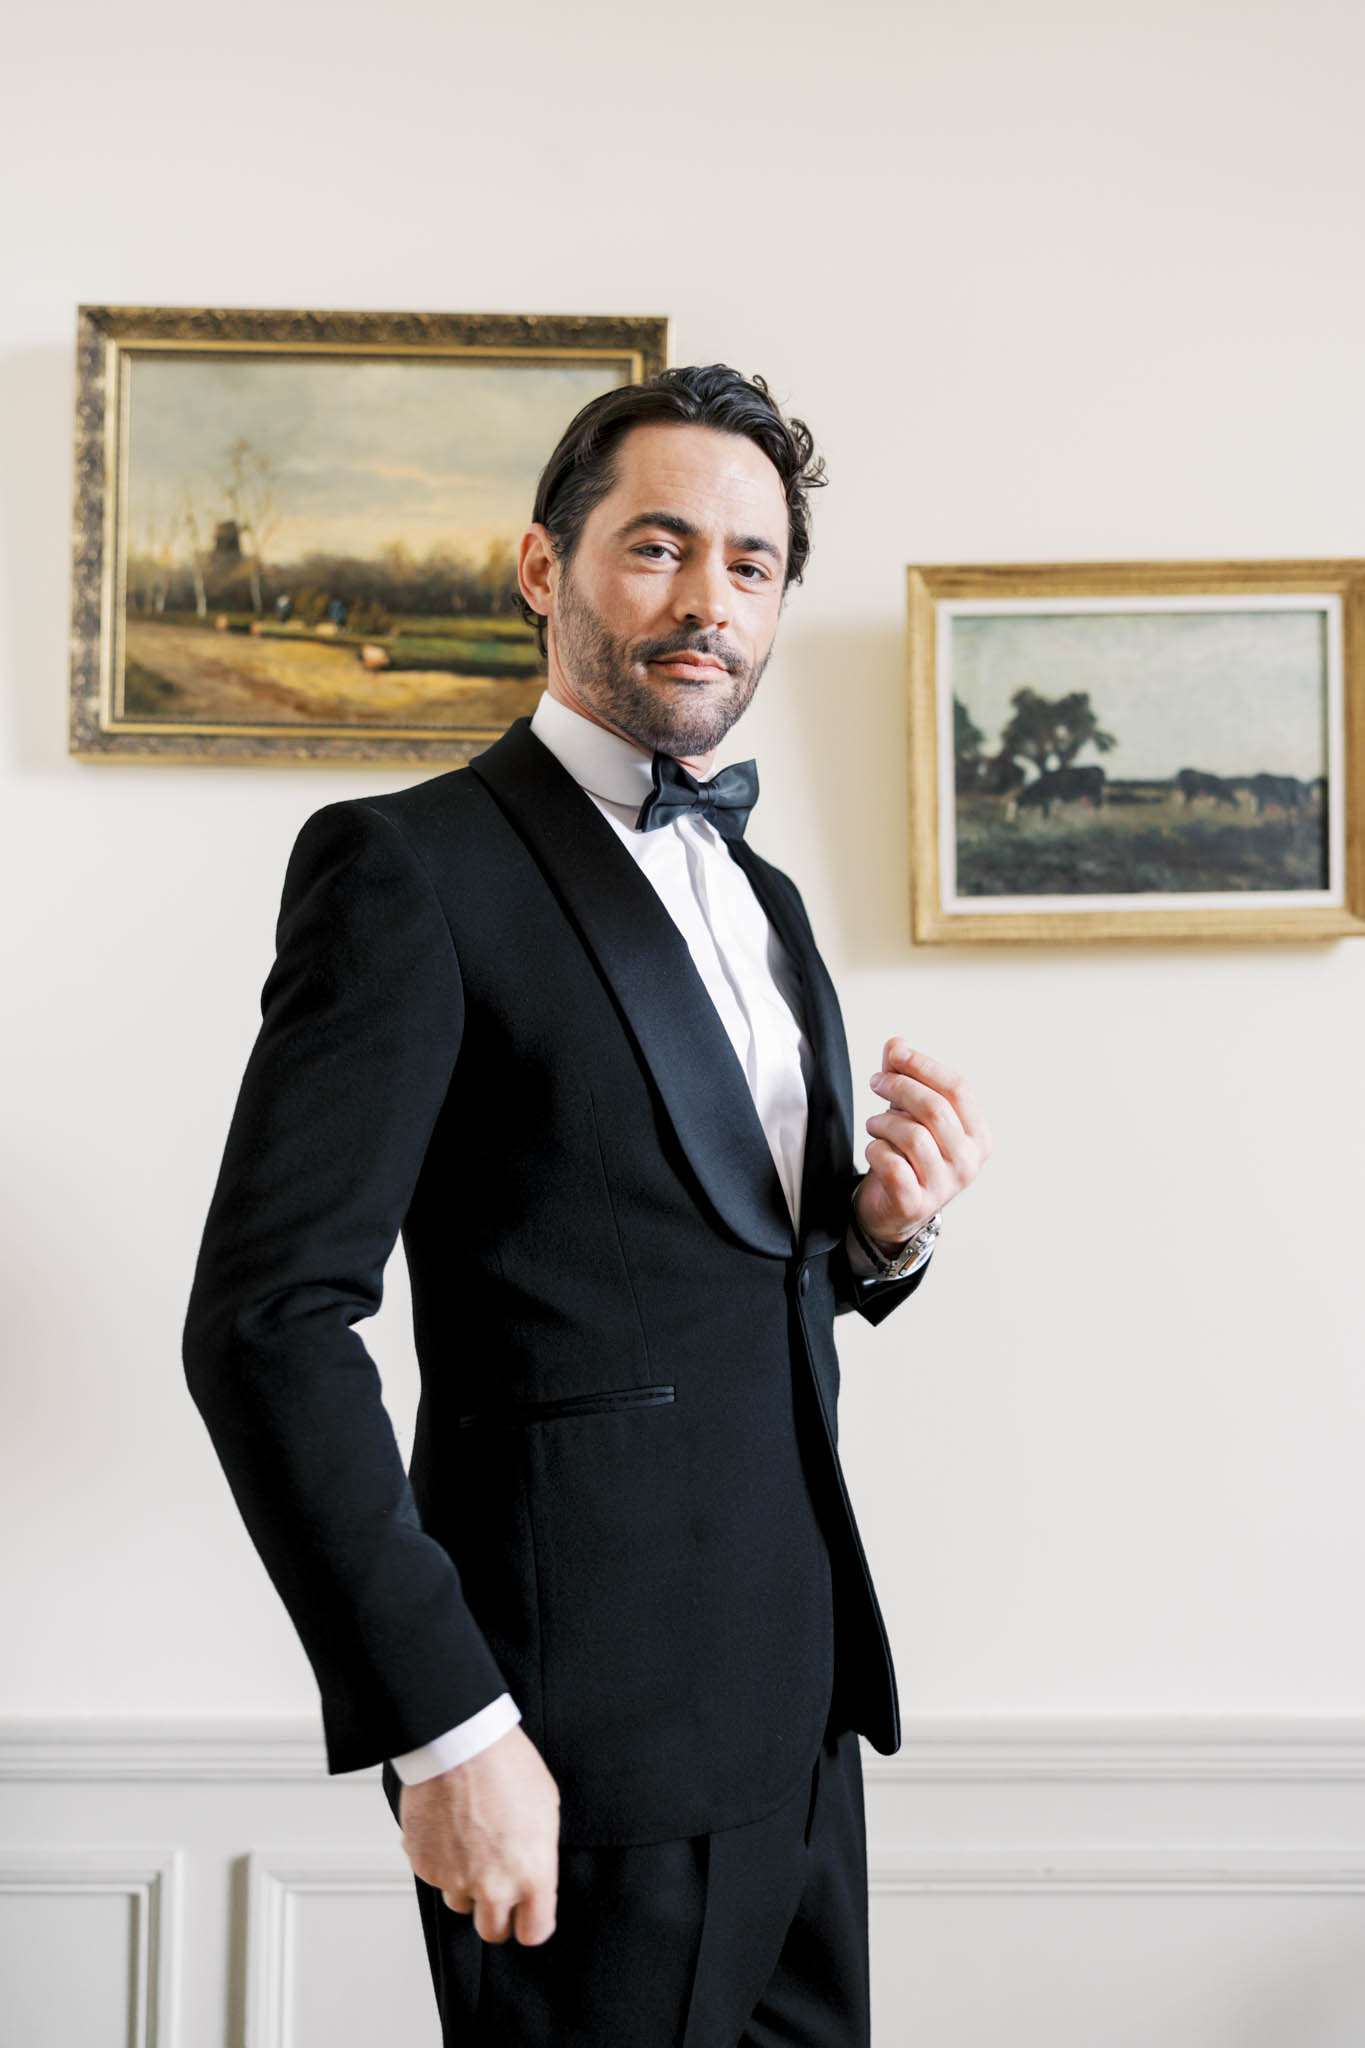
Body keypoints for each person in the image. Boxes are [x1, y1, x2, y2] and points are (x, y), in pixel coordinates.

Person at [181, 363, 990, 2045]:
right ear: (545, 569)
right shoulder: (405, 868)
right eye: (659, 547)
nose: (709, 601)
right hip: (569, 1748)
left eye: (752, 564)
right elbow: (267, 1326)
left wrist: (877, 1235)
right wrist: (450, 1731)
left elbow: (695, 1274)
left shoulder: (761, 892)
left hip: (803, 1715)